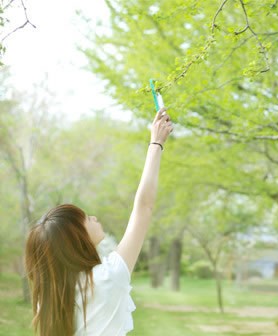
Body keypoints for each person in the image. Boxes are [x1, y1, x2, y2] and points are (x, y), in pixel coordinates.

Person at [24, 108, 173, 336]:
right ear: (77, 238)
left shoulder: (49, 298)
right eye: (85, 219)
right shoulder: (108, 278)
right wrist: (156, 143)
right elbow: (144, 208)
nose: (93, 217)